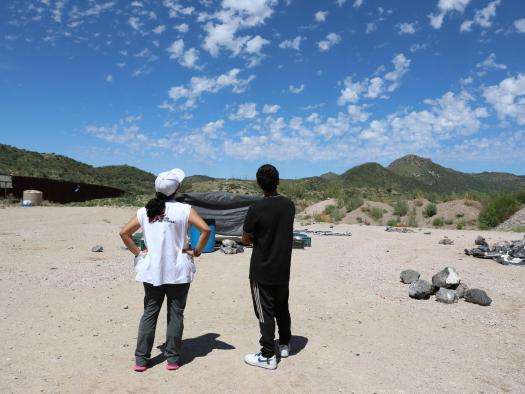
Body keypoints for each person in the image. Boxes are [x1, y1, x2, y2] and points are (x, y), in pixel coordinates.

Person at [119, 168, 210, 372]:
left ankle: (141, 360)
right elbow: (205, 229)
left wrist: (139, 253)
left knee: (150, 313)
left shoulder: (145, 211)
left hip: (152, 271)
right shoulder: (185, 210)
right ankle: (172, 359)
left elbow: (124, 233)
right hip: (178, 271)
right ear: (177, 188)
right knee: (176, 314)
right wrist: (196, 251)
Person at [242, 164, 295, 370]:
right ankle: (284, 343)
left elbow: (246, 238)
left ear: (258, 184)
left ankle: (267, 355)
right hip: (283, 268)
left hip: (261, 270)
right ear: (278, 181)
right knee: (282, 307)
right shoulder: (289, 205)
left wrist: (257, 237)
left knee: (264, 311)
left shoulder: (256, 208)